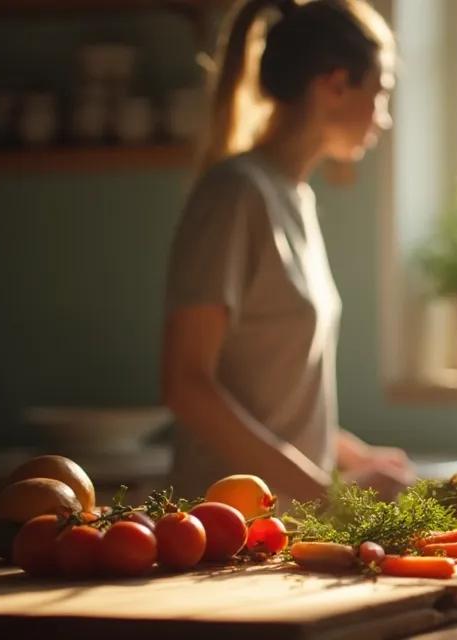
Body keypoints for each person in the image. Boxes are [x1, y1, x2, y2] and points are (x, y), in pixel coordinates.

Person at [161, 0, 412, 502]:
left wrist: (347, 455)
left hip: (285, 526)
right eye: (380, 93)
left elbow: (272, 399)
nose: (384, 119)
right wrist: (324, 493)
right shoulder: (235, 194)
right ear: (334, 84)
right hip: (222, 525)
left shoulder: (294, 196)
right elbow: (186, 385)